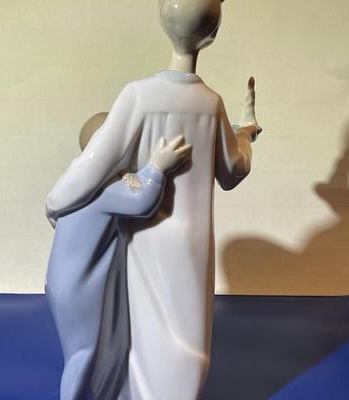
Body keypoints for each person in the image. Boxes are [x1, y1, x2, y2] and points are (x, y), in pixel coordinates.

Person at [46, 1, 261, 398]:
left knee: (143, 334)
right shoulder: (211, 103)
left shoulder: (139, 95)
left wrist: (56, 202)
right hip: (193, 240)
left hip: (145, 236)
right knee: (187, 339)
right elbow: (233, 171)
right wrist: (245, 133)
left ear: (162, 18)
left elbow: (95, 161)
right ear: (212, 35)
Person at [46, 136, 191, 400]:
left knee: (92, 347)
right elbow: (142, 202)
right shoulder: (101, 190)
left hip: (65, 282)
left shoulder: (76, 184)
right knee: (86, 351)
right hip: (80, 286)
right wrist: (157, 167)